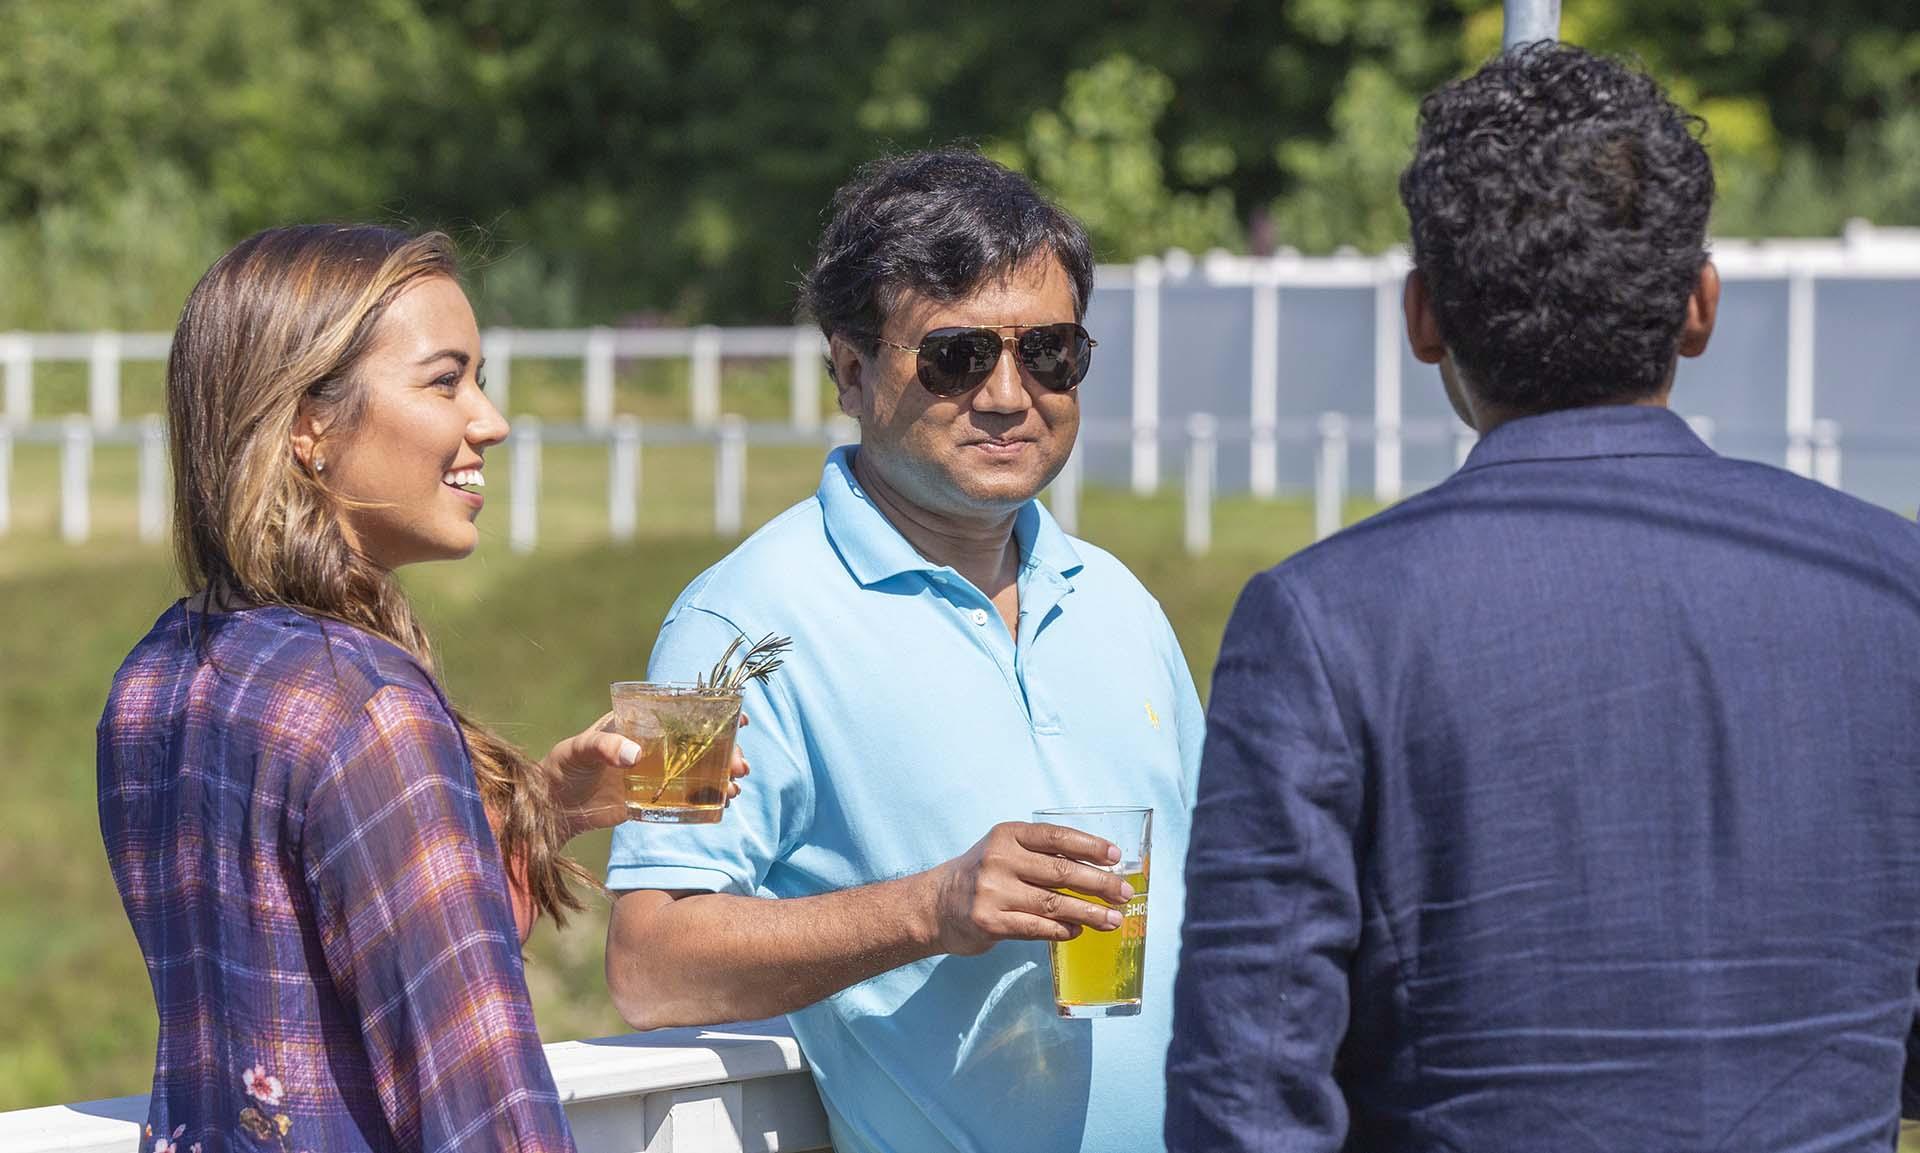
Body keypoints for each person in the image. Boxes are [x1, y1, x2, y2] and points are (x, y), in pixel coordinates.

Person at [1166, 43, 1920, 1152]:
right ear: (1699, 306)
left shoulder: (1326, 622)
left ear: (1423, 319)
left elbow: (1247, 1090)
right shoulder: (1890, 586)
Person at [601, 150, 1204, 1153]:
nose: (1011, 393)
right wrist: (932, 904)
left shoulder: (1126, 603)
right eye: (958, 356)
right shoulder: (715, 633)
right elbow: (650, 957)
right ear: (849, 367)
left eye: (1050, 352)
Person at [97, 225, 740, 1152]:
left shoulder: (153, 677)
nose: (490, 419)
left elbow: (297, 960)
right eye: (447, 381)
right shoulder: (365, 705)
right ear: (307, 424)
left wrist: (542, 810)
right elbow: (480, 1098)